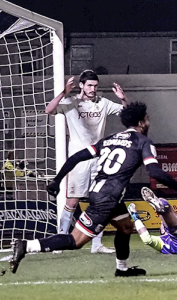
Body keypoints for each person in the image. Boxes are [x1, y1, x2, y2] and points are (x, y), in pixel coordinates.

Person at [8, 102, 177, 276]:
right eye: (147, 119)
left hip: (104, 193)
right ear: (141, 123)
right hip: (107, 199)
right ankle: (26, 246)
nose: (149, 122)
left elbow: (76, 157)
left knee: (126, 227)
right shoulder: (142, 143)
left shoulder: (110, 139)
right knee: (76, 241)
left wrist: (57, 181)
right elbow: (156, 173)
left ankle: (122, 269)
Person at [45, 70, 128, 254]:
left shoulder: (103, 103)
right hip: (79, 160)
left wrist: (123, 98)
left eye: (95, 86)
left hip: (99, 159)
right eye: (89, 85)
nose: (93, 89)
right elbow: (49, 110)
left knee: (99, 201)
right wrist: (63, 92)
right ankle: (59, 241)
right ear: (81, 85)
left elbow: (126, 113)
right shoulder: (70, 102)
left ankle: (96, 244)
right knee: (72, 201)